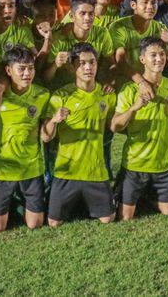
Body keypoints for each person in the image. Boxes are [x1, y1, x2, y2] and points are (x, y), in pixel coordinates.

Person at [41, 43, 116, 226]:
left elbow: (115, 126)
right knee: (53, 222)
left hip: (96, 172)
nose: (88, 67)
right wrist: (54, 120)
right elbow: (45, 137)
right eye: (82, 63)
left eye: (92, 62)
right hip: (66, 171)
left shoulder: (107, 95)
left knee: (108, 219)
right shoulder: (60, 96)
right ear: (72, 66)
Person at [111, 37, 168, 219]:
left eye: (162, 55)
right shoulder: (129, 90)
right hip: (135, 163)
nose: (158, 59)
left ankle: (146, 195)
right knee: (125, 217)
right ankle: (129, 191)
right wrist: (134, 107)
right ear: (142, 59)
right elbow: (115, 126)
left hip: (163, 163)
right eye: (153, 55)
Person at [0, 46, 50, 232]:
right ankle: (11, 204)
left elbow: (46, 130)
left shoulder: (42, 95)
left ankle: (20, 202)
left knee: (35, 224)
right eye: (21, 69)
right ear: (8, 71)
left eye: (30, 68)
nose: (27, 73)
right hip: (2, 169)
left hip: (31, 168)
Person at [43, 0, 115, 90]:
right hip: (63, 91)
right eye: (83, 13)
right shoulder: (59, 38)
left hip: (90, 89)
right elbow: (45, 78)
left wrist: (109, 81)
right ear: (72, 16)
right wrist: (55, 64)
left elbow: (112, 63)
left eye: (91, 13)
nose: (88, 18)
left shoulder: (102, 33)